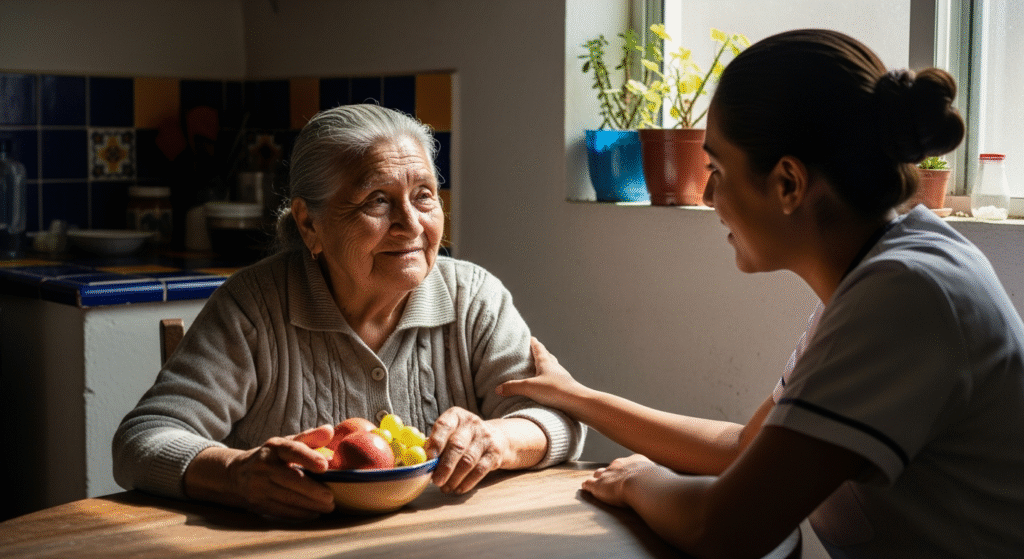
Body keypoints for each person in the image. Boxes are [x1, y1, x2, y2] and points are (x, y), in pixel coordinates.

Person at [498, 29, 1024, 558]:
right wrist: (576, 396)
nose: (707, 196)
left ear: (789, 184)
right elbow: (745, 448)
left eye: (718, 170)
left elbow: (723, 530)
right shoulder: (885, 272)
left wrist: (639, 482)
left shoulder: (905, 297)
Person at [113, 104, 584, 520]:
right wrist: (235, 472)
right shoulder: (254, 305)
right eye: (377, 200)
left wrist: (497, 440)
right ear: (309, 223)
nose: (411, 223)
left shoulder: (474, 297)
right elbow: (142, 441)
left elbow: (559, 417)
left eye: (424, 194)